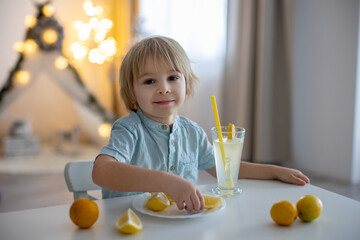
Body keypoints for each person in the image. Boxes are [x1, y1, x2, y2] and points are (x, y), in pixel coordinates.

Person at [92, 36, 309, 212]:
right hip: (130, 227)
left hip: (178, 226)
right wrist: (166, 182)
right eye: (149, 81)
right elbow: (101, 172)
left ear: (187, 82)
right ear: (132, 91)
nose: (164, 88)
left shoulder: (192, 132)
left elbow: (225, 169)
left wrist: (274, 171)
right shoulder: (129, 129)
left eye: (173, 78)